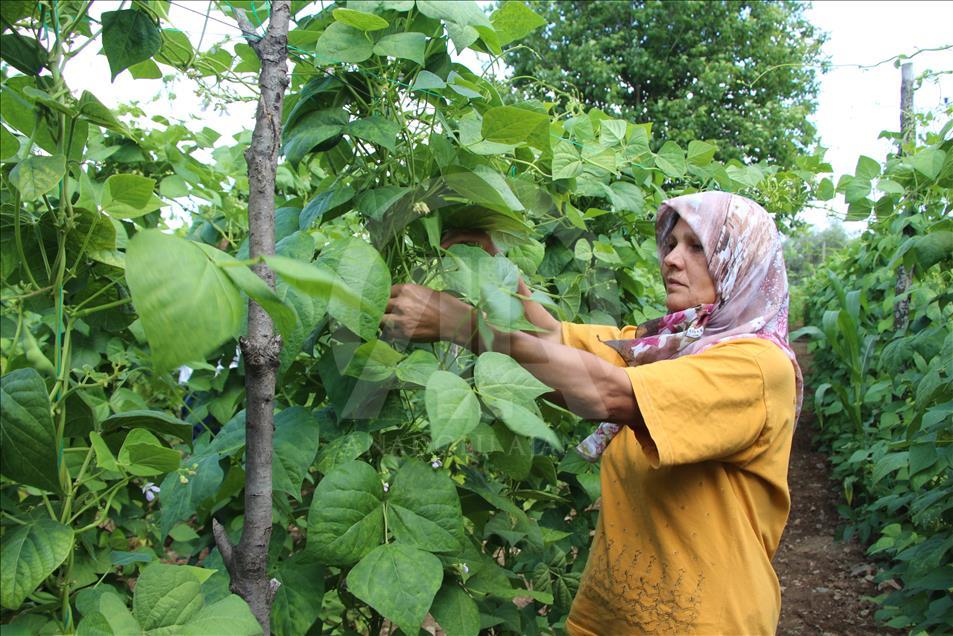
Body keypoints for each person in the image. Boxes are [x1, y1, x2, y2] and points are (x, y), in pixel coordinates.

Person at [381, 191, 802, 635]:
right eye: (672, 243)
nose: (672, 259)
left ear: (744, 261)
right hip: (615, 618)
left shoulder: (758, 367)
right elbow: (552, 336)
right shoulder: (670, 348)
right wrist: (494, 267)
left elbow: (609, 393)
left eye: (697, 246)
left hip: (705, 623)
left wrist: (464, 327)